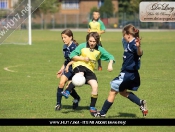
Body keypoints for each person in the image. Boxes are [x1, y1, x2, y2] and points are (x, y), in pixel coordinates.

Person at [95, 24, 148, 118]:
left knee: (112, 91)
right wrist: (130, 33)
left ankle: (102, 113)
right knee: (122, 92)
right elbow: (124, 39)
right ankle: (141, 103)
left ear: (128, 35)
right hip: (130, 73)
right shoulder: (129, 43)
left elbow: (139, 53)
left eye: (124, 35)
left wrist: (138, 46)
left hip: (127, 74)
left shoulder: (133, 45)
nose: (123, 37)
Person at [61, 32, 115, 117]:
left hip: (90, 69)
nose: (92, 43)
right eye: (90, 41)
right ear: (87, 40)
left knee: (95, 85)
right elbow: (72, 55)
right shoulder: (82, 46)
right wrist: (83, 58)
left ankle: (92, 107)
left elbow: (111, 56)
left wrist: (110, 64)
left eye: (94, 41)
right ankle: (67, 91)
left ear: (97, 41)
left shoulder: (99, 49)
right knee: (81, 74)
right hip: (79, 65)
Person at [55, 29, 81, 111]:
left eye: (65, 37)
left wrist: (68, 65)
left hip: (75, 69)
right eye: (62, 38)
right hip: (67, 68)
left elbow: (77, 59)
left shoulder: (75, 47)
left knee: (68, 88)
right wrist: (61, 69)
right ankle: (58, 104)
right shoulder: (64, 47)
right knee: (61, 83)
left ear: (71, 37)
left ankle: (77, 98)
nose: (63, 39)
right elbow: (67, 60)